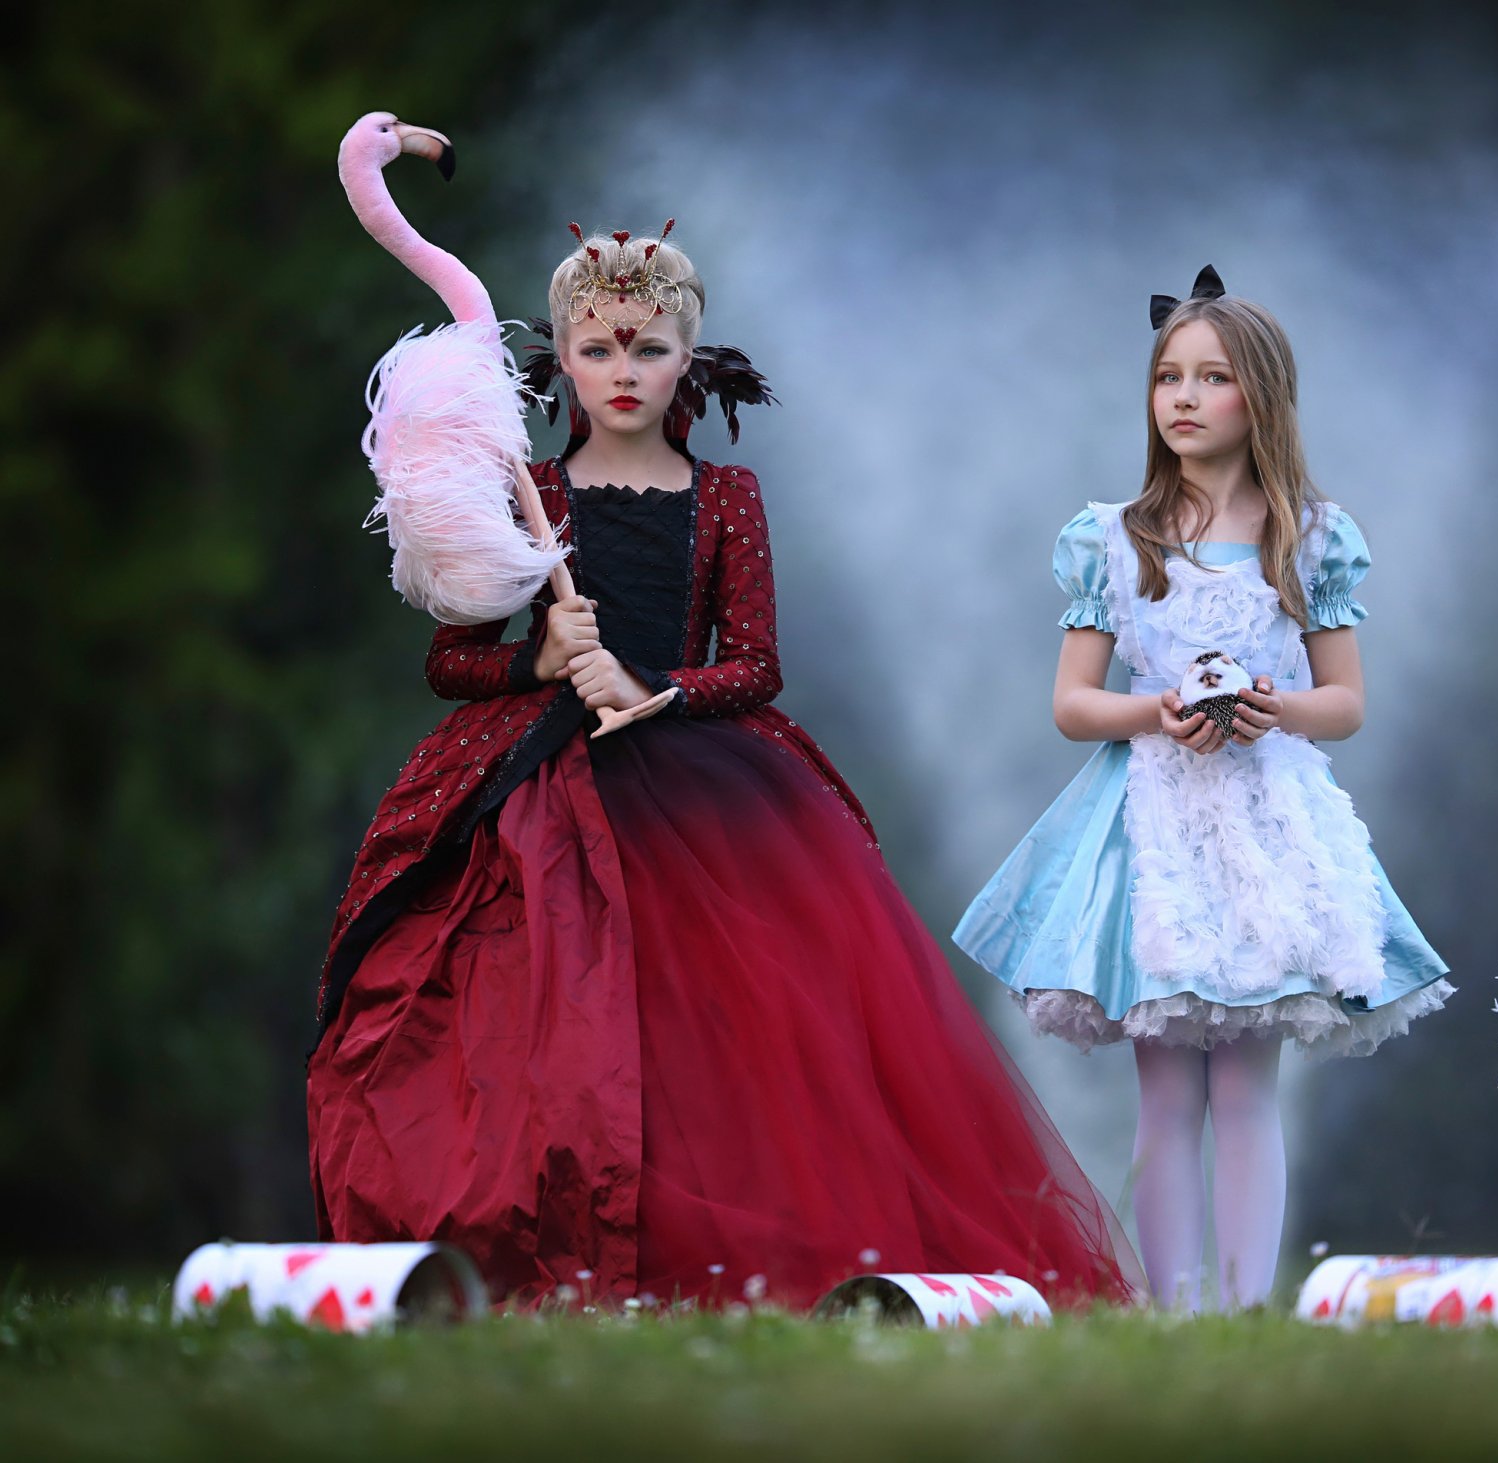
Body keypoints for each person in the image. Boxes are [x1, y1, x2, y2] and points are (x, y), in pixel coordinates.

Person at [307, 222, 1140, 1309]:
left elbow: (754, 664)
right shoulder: (528, 494)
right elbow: (449, 660)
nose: (623, 371)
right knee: (548, 1017)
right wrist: (535, 658)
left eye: (648, 349)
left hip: (703, 794)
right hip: (541, 792)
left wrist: (654, 687)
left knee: (723, 1036)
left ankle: (708, 1255)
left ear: (686, 361)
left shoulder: (728, 496)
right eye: (598, 349)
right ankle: (545, 1246)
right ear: (563, 360)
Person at [953, 266, 1451, 1312]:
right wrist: (1158, 709)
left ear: (1260, 396)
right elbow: (1074, 703)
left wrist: (1276, 705)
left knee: (1247, 1084)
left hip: (1267, 826)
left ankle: (1243, 1307)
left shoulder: (1308, 534)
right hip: (1154, 830)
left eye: (1212, 377)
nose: (1183, 397)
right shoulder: (1114, 535)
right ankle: (1177, 1312)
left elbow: (1346, 701)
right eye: (1167, 376)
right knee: (1169, 1089)